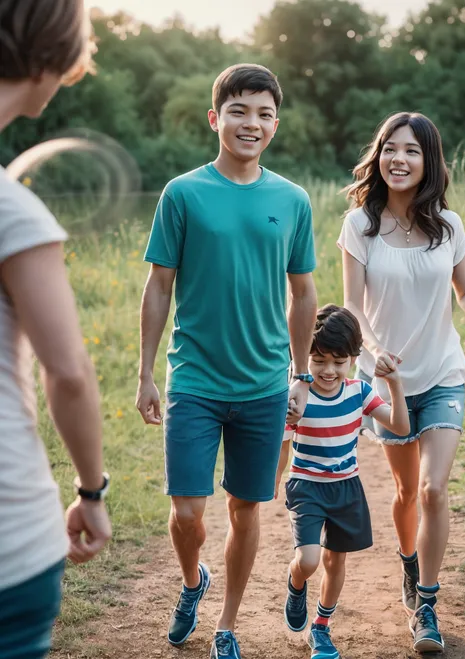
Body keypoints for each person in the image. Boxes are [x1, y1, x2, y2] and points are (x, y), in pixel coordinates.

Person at [136, 63, 317, 658]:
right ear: (216, 118)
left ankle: (227, 626)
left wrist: (299, 374)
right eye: (239, 110)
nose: (252, 122)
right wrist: (144, 373)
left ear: (276, 125)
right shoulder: (183, 193)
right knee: (188, 511)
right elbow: (159, 285)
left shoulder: (292, 200)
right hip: (195, 378)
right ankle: (193, 581)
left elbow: (304, 293)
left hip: (264, 384)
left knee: (246, 506)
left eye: (264, 113)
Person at [0, 2, 112, 658]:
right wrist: (91, 491)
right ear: (50, 56)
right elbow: (67, 371)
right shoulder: (13, 210)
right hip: (9, 548)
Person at [338, 111, 465, 653]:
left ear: (429, 161)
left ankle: (429, 606)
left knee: (433, 489)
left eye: (413, 150)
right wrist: (371, 349)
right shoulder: (360, 225)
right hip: (388, 381)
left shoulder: (451, 224)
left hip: (442, 372)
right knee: (404, 491)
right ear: (379, 155)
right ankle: (409, 566)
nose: (400, 159)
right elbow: (351, 303)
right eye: (391, 148)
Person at [274, 304, 409, 659]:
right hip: (306, 486)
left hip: (346, 488)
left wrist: (394, 384)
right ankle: (296, 582)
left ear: (353, 358)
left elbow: (399, 427)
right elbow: (284, 447)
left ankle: (321, 628)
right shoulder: (297, 400)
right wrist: (273, 482)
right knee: (308, 559)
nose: (329, 370)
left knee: (336, 562)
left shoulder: (359, 393)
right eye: (318, 360)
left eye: (339, 360)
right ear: (303, 358)